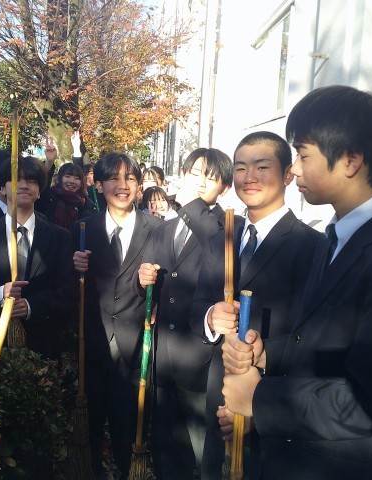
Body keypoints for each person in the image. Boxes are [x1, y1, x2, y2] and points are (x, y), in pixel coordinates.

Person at [222, 86, 372, 480]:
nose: (294, 168)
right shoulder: (336, 237)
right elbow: (323, 347)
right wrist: (268, 353)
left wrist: (261, 398)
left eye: (303, 154)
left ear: (350, 160)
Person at [192, 131, 322, 479]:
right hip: (219, 394)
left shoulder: (312, 247)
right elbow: (197, 303)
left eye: (262, 167)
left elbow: (312, 336)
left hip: (273, 401)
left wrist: (261, 397)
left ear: (287, 175)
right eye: (240, 168)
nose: (249, 177)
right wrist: (210, 317)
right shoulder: (220, 239)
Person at [136, 147, 234, 480]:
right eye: (195, 174)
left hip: (201, 361)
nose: (201, 182)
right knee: (167, 450)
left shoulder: (225, 228)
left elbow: (214, 243)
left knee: (204, 454)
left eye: (211, 177)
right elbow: (151, 285)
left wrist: (192, 204)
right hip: (163, 358)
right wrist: (142, 281)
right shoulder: (163, 230)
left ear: (225, 187)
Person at [72, 152, 162, 479]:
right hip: (93, 342)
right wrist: (74, 268)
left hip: (136, 344)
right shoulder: (82, 228)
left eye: (131, 179)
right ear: (98, 185)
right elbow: (69, 290)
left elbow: (170, 289)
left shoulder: (158, 229)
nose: (122, 186)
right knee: (92, 425)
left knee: (130, 428)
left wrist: (151, 284)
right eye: (113, 178)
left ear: (139, 186)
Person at [0, 155, 77, 359]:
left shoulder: (59, 237)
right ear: (2, 188)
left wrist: (30, 306)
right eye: (16, 179)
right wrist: (0, 293)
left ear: (39, 191)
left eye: (32, 181)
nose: (24, 185)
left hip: (43, 346)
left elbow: (66, 292)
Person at [35, 162, 97, 229]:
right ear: (60, 178)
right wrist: (49, 162)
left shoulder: (86, 205)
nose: (72, 181)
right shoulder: (50, 198)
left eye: (77, 178)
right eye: (67, 176)